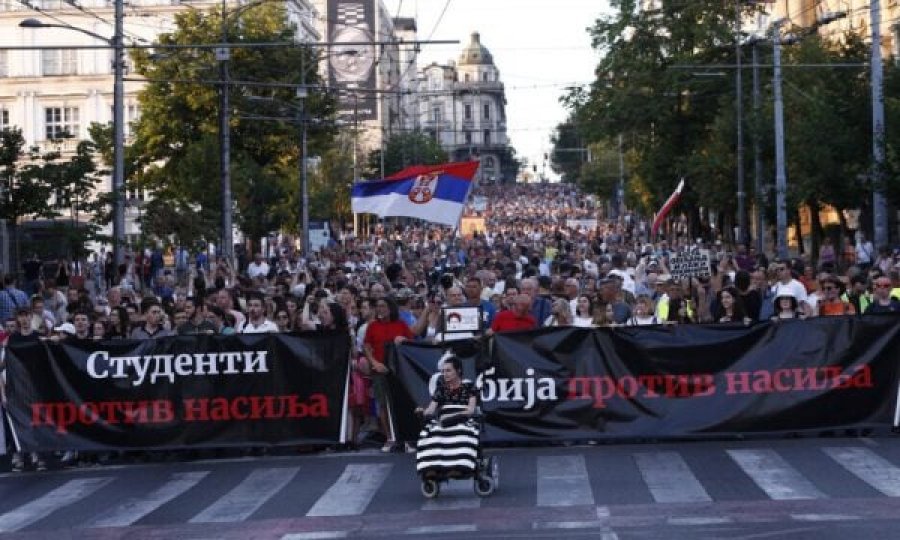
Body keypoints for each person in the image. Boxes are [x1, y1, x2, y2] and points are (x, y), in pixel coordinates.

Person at [363, 297, 413, 452]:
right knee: (383, 405)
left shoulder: (401, 324)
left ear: (390, 308)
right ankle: (390, 438)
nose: (380, 309)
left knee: (401, 404)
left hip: (399, 371)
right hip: (380, 371)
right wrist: (374, 363)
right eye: (377, 306)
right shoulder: (372, 326)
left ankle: (406, 438)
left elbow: (410, 343)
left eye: (383, 306)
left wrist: (403, 339)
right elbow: (366, 346)